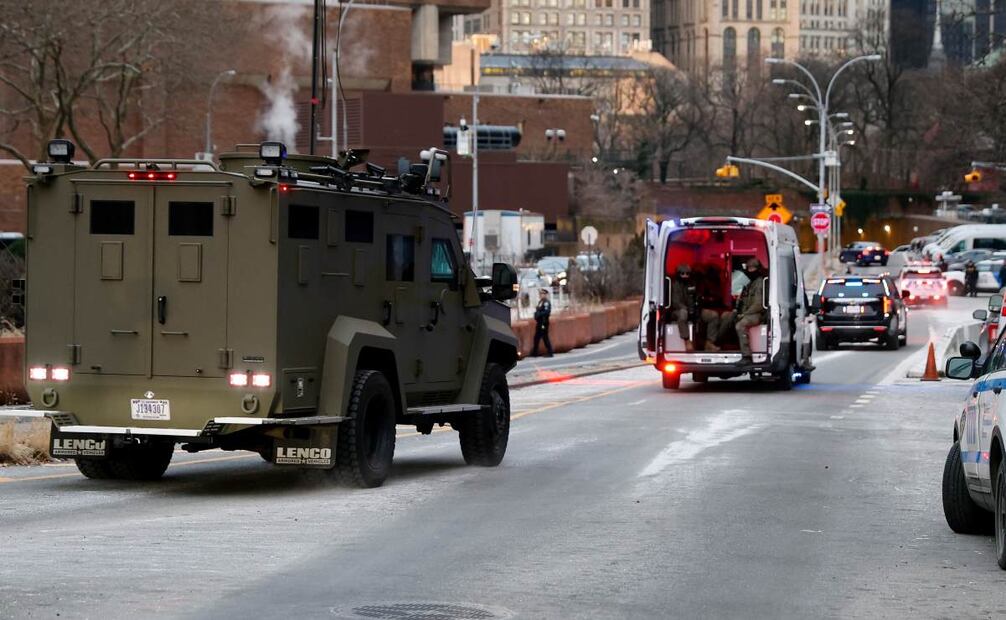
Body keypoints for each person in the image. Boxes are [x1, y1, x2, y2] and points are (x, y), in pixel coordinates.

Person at [720, 258, 767, 366]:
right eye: (749, 268)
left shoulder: (759, 283)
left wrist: (744, 314)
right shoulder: (750, 283)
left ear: (757, 269)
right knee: (726, 316)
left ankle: (746, 356)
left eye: (752, 268)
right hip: (747, 312)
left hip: (757, 314)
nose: (750, 270)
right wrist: (737, 310)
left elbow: (758, 305)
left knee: (740, 325)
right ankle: (716, 344)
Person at [668, 264, 698, 351]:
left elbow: (692, 299)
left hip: (689, 309)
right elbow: (675, 302)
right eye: (682, 273)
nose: (685, 276)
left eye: (687, 274)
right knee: (683, 313)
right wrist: (687, 309)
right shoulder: (674, 285)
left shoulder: (691, 284)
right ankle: (687, 340)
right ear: (678, 274)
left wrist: (693, 309)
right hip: (676, 311)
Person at [532, 288, 553, 357]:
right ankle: (535, 353)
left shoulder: (546, 302)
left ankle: (550, 352)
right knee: (536, 337)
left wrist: (539, 314)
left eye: (542, 294)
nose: (540, 295)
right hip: (539, 322)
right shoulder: (540, 302)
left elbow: (547, 312)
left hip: (544, 322)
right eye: (540, 294)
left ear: (545, 295)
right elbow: (538, 310)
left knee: (545, 337)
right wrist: (536, 314)